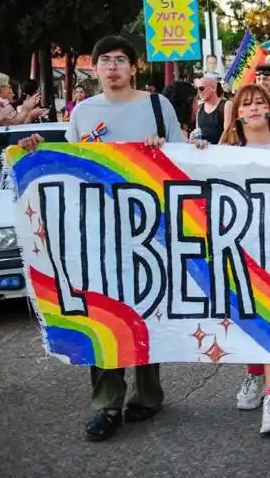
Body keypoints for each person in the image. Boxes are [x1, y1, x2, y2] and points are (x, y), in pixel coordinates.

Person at [16, 35, 186, 442]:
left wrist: (160, 150)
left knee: (147, 310)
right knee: (103, 314)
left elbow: (184, 163)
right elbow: (73, 166)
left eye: (120, 60)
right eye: (105, 60)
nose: (112, 67)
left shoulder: (157, 106)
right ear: (96, 68)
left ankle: (148, 395)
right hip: (98, 233)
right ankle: (107, 403)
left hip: (151, 229)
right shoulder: (84, 111)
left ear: (133, 67)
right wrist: (37, 151)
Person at [220, 84, 270, 435]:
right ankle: (254, 374)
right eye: (246, 104)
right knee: (249, 319)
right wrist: (199, 152)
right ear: (237, 113)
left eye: (259, 103)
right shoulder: (223, 152)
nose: (253, 108)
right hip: (240, 250)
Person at [194, 76, 228, 144]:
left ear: (213, 88)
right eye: (197, 89)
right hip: (203, 151)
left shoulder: (226, 105)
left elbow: (227, 131)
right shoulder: (199, 110)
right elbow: (198, 133)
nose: (199, 92)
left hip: (221, 151)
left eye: (201, 88)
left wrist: (217, 150)